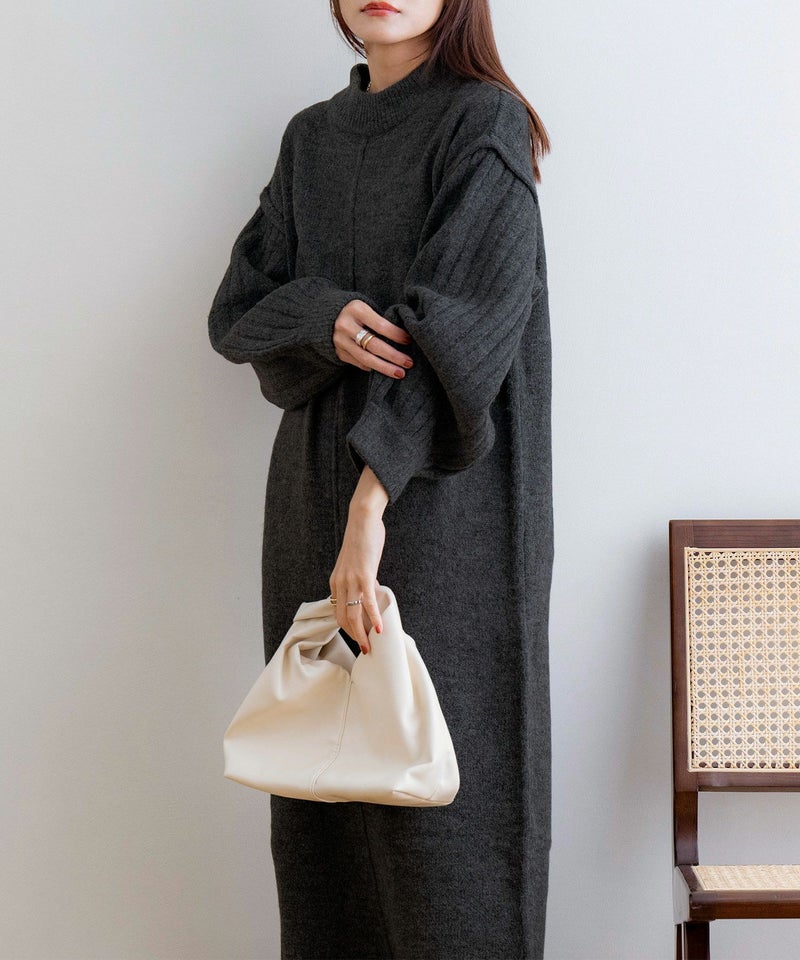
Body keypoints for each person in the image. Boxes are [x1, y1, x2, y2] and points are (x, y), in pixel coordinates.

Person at [207, 1, 554, 956]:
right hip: (310, 508)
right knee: (323, 816)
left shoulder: (484, 121)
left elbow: (463, 333)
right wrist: (322, 317)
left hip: (445, 513)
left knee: (448, 833)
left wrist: (371, 502)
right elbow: (237, 309)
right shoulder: (311, 139)